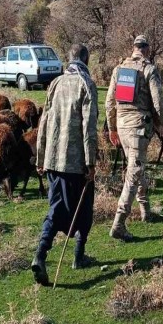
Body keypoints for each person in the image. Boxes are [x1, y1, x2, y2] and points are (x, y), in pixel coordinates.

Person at [31, 44, 98, 285]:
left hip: (52, 160)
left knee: (57, 206)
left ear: (69, 59)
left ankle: (51, 254)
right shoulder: (86, 84)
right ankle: (67, 256)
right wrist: (91, 162)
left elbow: (44, 121)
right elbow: (89, 127)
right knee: (81, 208)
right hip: (75, 162)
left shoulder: (56, 83)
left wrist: (40, 158)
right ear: (86, 59)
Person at [105, 35, 163, 241]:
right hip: (138, 128)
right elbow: (159, 103)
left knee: (137, 166)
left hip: (123, 127)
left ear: (133, 48)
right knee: (134, 172)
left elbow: (108, 102)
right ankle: (119, 223)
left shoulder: (119, 69)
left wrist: (113, 128)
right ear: (147, 49)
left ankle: (145, 210)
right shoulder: (149, 69)